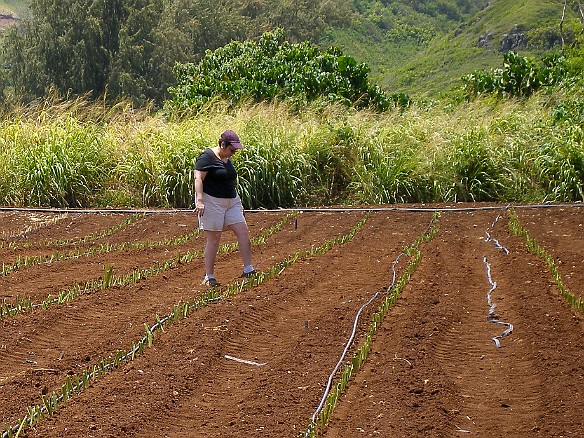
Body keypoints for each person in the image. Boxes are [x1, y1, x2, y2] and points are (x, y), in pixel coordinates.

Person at [193, 129, 256, 287]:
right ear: (222, 144)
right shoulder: (207, 157)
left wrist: (238, 202)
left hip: (231, 201)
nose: (233, 153)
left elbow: (229, 181)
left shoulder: (227, 158)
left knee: (242, 231)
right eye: (232, 149)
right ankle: (209, 276)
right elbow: (198, 178)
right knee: (214, 239)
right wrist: (200, 200)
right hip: (212, 201)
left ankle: (248, 269)